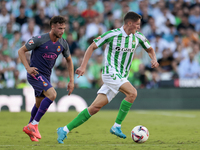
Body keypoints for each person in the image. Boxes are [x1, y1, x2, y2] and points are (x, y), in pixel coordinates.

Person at [56, 11, 159, 144]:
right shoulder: (112, 34)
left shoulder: (138, 37)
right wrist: (83, 66)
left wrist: (154, 59)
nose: (139, 27)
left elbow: (150, 49)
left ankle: (64, 129)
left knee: (94, 108)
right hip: (110, 72)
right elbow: (92, 46)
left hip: (121, 76)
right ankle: (117, 126)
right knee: (132, 93)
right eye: (137, 24)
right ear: (129, 23)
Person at [18, 16, 74, 142]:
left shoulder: (63, 43)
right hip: (35, 73)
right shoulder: (39, 39)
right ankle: (34, 125)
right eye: (60, 28)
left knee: (38, 104)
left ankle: (29, 127)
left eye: (64, 28)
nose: (62, 31)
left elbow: (69, 61)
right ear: (52, 27)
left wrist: (71, 81)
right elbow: (21, 51)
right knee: (52, 94)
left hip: (46, 76)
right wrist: (28, 68)